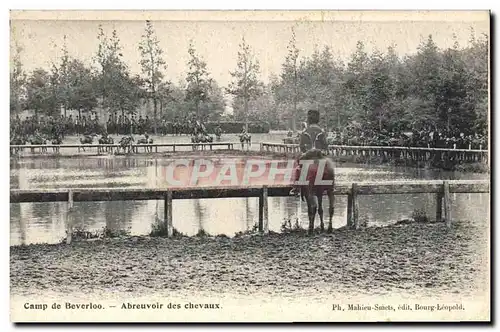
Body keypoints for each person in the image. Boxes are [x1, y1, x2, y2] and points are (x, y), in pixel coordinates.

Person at [289, 109, 328, 196]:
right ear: (318, 119)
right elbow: (325, 146)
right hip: (319, 156)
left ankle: (296, 188)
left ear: (308, 119)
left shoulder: (305, 131)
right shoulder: (321, 131)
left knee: (298, 167)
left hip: (308, 156)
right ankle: (327, 187)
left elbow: (302, 146)